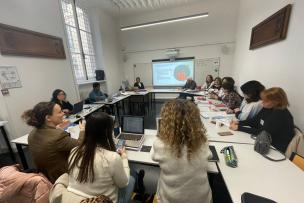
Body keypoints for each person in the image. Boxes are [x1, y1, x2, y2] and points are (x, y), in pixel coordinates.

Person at [151, 99, 212, 203]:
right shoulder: (202, 142)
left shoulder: (159, 143)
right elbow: (209, 156)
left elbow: (153, 156)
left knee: (160, 177)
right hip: (202, 199)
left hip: (171, 199)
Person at [67, 112, 134, 203]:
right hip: (103, 201)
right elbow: (123, 183)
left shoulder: (74, 151)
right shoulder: (112, 158)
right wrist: (124, 158)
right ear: (107, 132)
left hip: (77, 199)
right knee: (131, 180)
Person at [22, 102, 84, 183]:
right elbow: (81, 145)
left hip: (46, 176)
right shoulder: (58, 136)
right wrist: (83, 130)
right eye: (60, 112)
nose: (63, 113)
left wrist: (56, 129)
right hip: (62, 178)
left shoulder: (32, 133)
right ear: (48, 118)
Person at [230, 87, 295, 153]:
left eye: (266, 101)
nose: (262, 102)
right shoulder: (267, 108)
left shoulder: (280, 114)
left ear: (277, 101)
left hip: (274, 149)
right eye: (262, 100)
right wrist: (239, 123)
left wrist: (239, 128)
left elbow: (263, 132)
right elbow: (255, 121)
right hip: (262, 141)